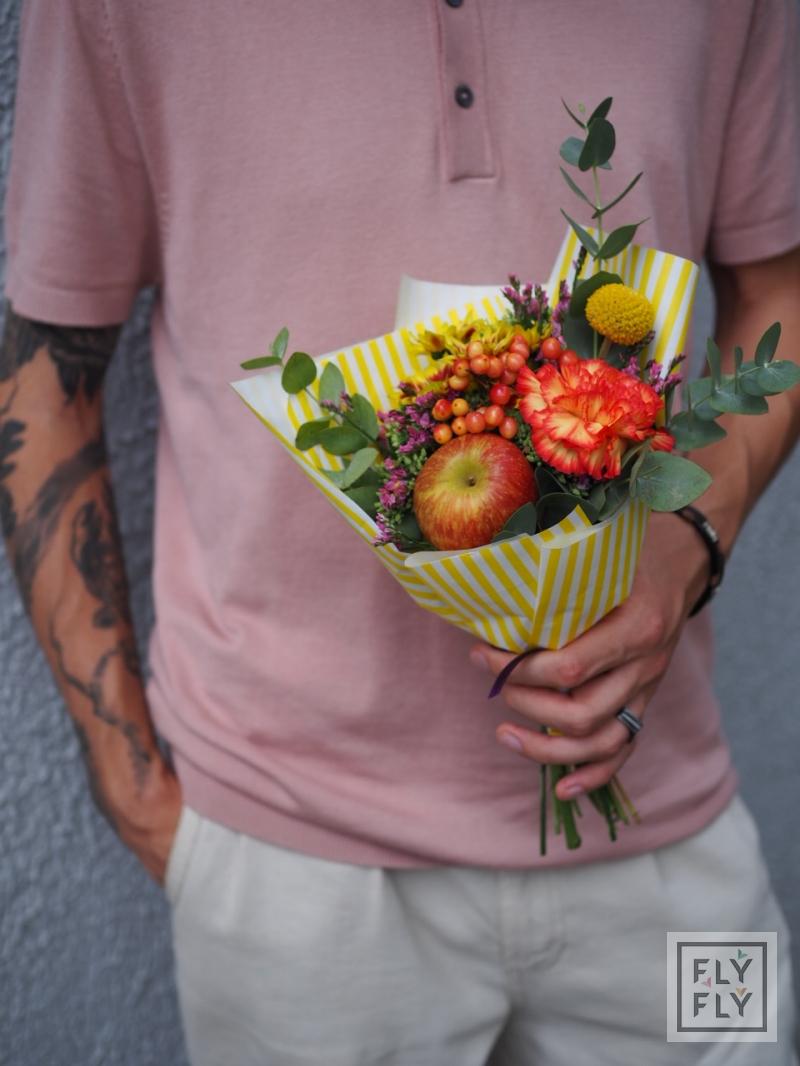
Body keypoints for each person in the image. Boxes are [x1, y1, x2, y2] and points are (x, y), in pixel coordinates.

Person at [2, 1, 799, 1063]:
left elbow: (780, 288)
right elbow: (44, 373)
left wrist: (692, 528)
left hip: (667, 837)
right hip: (295, 881)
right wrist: (139, 792)